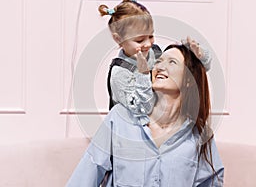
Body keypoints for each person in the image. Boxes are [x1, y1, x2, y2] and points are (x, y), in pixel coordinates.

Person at [66, 43, 224, 187]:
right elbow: (87, 173)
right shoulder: (120, 118)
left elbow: (211, 182)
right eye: (159, 61)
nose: (160, 67)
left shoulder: (200, 134)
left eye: (172, 62)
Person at [98, 0, 212, 115]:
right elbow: (142, 109)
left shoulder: (156, 52)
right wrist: (143, 74)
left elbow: (198, 69)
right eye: (140, 40)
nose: (148, 44)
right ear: (118, 38)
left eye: (151, 36)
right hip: (132, 130)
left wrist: (198, 54)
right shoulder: (120, 73)